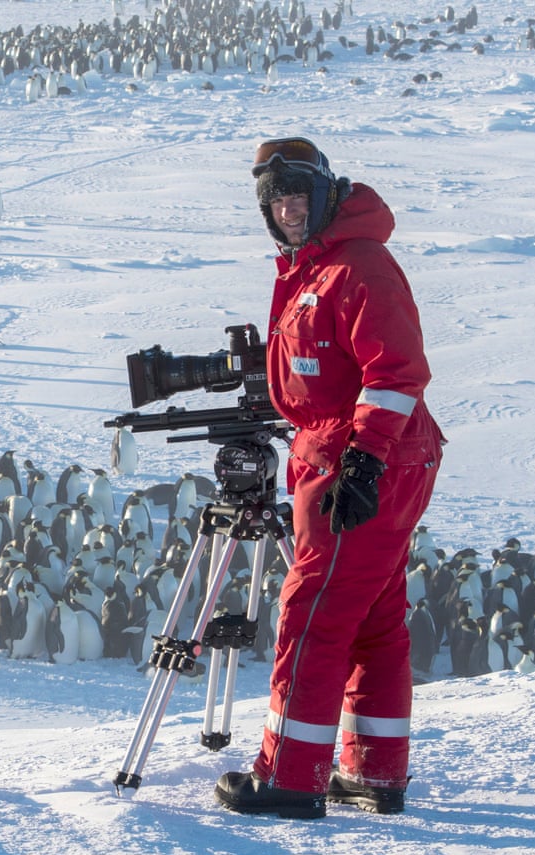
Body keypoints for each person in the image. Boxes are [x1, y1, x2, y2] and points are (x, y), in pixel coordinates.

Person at [214, 137, 445, 819]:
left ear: (325, 195)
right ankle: (373, 770)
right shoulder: (315, 265)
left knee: (313, 615)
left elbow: (396, 370)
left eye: (297, 196)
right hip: (352, 453)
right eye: (276, 201)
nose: (287, 210)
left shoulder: (358, 264)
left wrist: (365, 460)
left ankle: (289, 775)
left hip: (363, 460)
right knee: (371, 619)